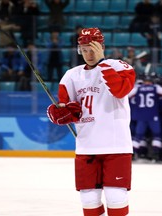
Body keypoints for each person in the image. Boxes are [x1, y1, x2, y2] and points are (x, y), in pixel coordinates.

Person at [46, 28, 136, 216]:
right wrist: (60, 114)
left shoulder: (120, 66)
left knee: (115, 195)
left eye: (92, 48)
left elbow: (120, 90)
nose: (88, 54)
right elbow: (67, 109)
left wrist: (102, 62)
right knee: (88, 197)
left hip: (116, 145)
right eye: (84, 49)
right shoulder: (71, 75)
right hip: (86, 146)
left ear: (101, 47)